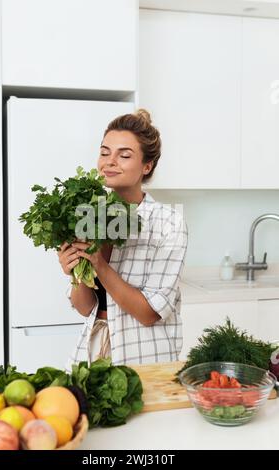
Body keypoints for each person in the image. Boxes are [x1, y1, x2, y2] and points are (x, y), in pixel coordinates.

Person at [58, 109, 188, 368]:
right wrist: (74, 271)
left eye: (124, 155)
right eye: (105, 152)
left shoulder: (168, 223)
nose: (110, 161)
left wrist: (100, 266)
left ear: (147, 166)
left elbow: (149, 313)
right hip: (93, 349)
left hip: (144, 358)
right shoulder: (88, 214)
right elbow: (85, 308)